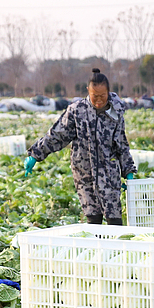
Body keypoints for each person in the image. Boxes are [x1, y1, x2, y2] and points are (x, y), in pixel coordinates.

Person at [24, 68, 136, 225]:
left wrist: (128, 171)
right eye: (94, 96)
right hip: (84, 173)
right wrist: (35, 154)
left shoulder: (116, 112)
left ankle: (116, 249)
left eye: (102, 97)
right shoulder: (77, 111)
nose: (98, 101)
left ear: (109, 93)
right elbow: (57, 135)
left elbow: (121, 145)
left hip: (109, 174)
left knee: (114, 219)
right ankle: (96, 249)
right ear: (88, 91)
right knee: (93, 219)